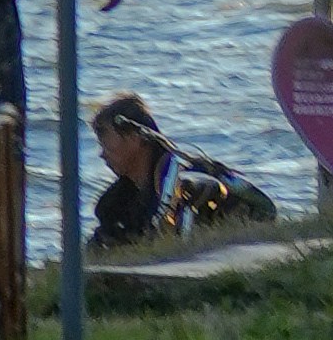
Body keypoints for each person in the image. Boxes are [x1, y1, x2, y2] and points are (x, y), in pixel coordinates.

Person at [88, 92, 280, 250]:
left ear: (135, 138)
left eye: (106, 145)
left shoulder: (181, 177)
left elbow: (264, 209)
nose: (102, 154)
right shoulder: (116, 202)